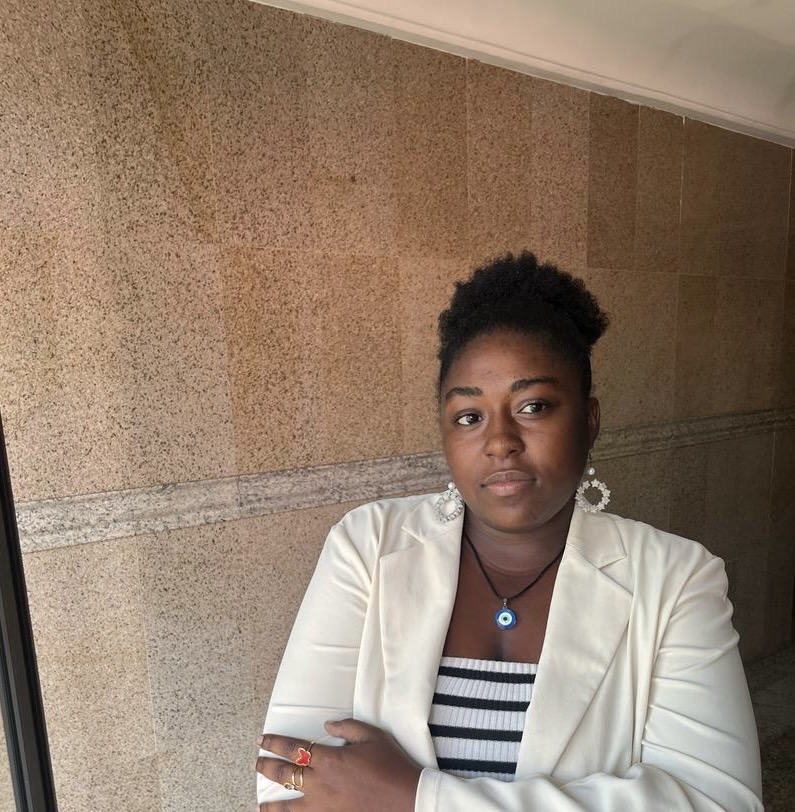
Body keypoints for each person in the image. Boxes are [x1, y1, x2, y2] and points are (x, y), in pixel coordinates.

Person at [255, 251, 763, 811]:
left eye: (533, 406)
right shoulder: (368, 546)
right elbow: (286, 778)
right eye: (469, 417)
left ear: (590, 421)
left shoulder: (677, 580)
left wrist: (414, 798)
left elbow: (719, 802)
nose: (500, 442)